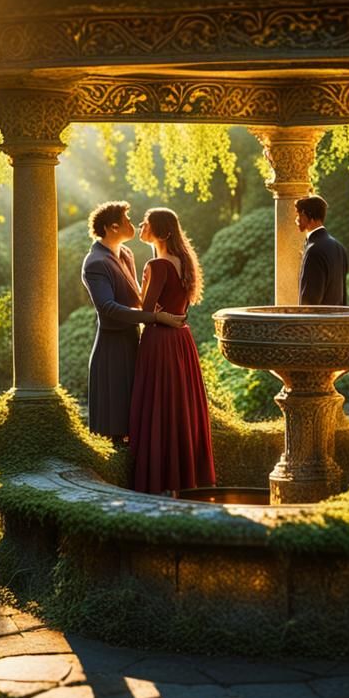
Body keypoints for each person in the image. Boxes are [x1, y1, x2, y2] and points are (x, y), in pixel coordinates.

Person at [81, 201, 184, 444]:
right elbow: (108, 308)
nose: (133, 224)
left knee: (134, 413)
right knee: (114, 416)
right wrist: (155, 317)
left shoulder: (125, 254)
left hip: (134, 341)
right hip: (112, 347)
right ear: (112, 227)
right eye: (127, 221)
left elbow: (137, 297)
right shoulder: (95, 263)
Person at [129, 207, 215, 496]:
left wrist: (134, 283)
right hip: (181, 340)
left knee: (159, 406)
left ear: (162, 232)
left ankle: (158, 477)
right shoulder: (183, 261)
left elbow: (145, 309)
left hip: (160, 341)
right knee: (179, 407)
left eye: (146, 223)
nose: (141, 226)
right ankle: (183, 476)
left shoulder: (158, 265)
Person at [295, 194, 348, 306]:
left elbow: (309, 302)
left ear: (305, 214)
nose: (297, 220)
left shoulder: (313, 250)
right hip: (337, 320)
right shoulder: (339, 247)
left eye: (298, 215)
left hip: (318, 322)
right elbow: (342, 296)